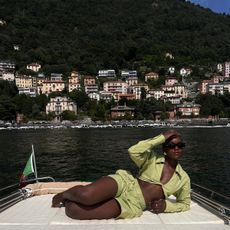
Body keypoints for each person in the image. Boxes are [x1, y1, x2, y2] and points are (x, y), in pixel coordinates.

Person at [51, 129, 191, 220]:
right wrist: (161, 137)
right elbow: (133, 151)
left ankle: (71, 199)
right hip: (126, 183)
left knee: (75, 212)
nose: (177, 148)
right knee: (86, 196)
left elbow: (184, 204)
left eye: (180, 146)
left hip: (133, 204)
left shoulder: (183, 178)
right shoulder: (152, 158)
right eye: (172, 145)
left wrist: (167, 206)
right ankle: (65, 194)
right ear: (165, 149)